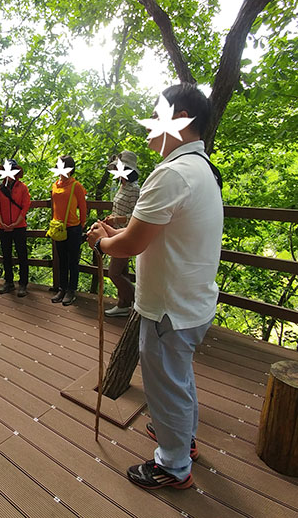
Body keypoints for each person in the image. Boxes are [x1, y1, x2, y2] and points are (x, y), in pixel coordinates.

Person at [86, 83, 223, 490]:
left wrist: (101, 240)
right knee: (178, 378)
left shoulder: (171, 174)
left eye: (157, 115)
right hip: (191, 303)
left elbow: (129, 246)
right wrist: (118, 231)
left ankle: (173, 464)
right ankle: (184, 440)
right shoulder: (202, 170)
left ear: (180, 119)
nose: (149, 129)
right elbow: (153, 230)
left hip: (168, 306)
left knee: (165, 385)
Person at [103, 151, 141, 317]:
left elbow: (137, 216)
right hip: (115, 232)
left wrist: (116, 219)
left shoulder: (134, 189)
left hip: (125, 234)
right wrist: (111, 218)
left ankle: (139, 302)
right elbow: (118, 208)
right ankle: (123, 304)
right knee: (122, 271)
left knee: (114, 272)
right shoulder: (122, 186)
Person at [50, 155, 87, 306]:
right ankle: (62, 288)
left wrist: (82, 223)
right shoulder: (55, 185)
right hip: (58, 228)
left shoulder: (75, 186)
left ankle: (71, 290)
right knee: (62, 261)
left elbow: (83, 207)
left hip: (73, 228)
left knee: (73, 261)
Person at [0, 159, 30, 297]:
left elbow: (25, 206)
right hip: (4, 227)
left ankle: (23, 283)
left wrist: (16, 223)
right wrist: (2, 222)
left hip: (19, 227)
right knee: (6, 255)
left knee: (22, 255)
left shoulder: (22, 187)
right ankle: (9, 282)